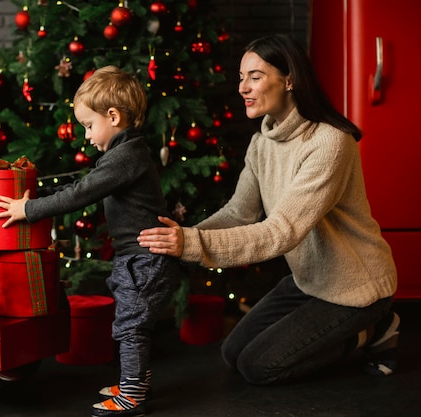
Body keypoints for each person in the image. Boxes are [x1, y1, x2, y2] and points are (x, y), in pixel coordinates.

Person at [137, 34, 400, 385]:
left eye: (255, 76)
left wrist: (191, 244)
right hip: (308, 281)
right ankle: (354, 330)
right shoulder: (262, 141)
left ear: (289, 78)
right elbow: (238, 213)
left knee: (260, 366)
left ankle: (374, 329)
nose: (243, 87)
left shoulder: (329, 142)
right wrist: (184, 238)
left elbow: (282, 232)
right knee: (233, 354)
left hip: (355, 286)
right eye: (241, 78)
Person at [0, 65, 180, 416]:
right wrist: (41, 195)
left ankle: (132, 397)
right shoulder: (124, 154)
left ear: (113, 116)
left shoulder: (127, 156)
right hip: (138, 257)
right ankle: (135, 383)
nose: (87, 136)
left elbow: (81, 194)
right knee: (131, 325)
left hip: (145, 259)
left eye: (89, 126)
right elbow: (77, 189)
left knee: (130, 327)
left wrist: (29, 209)